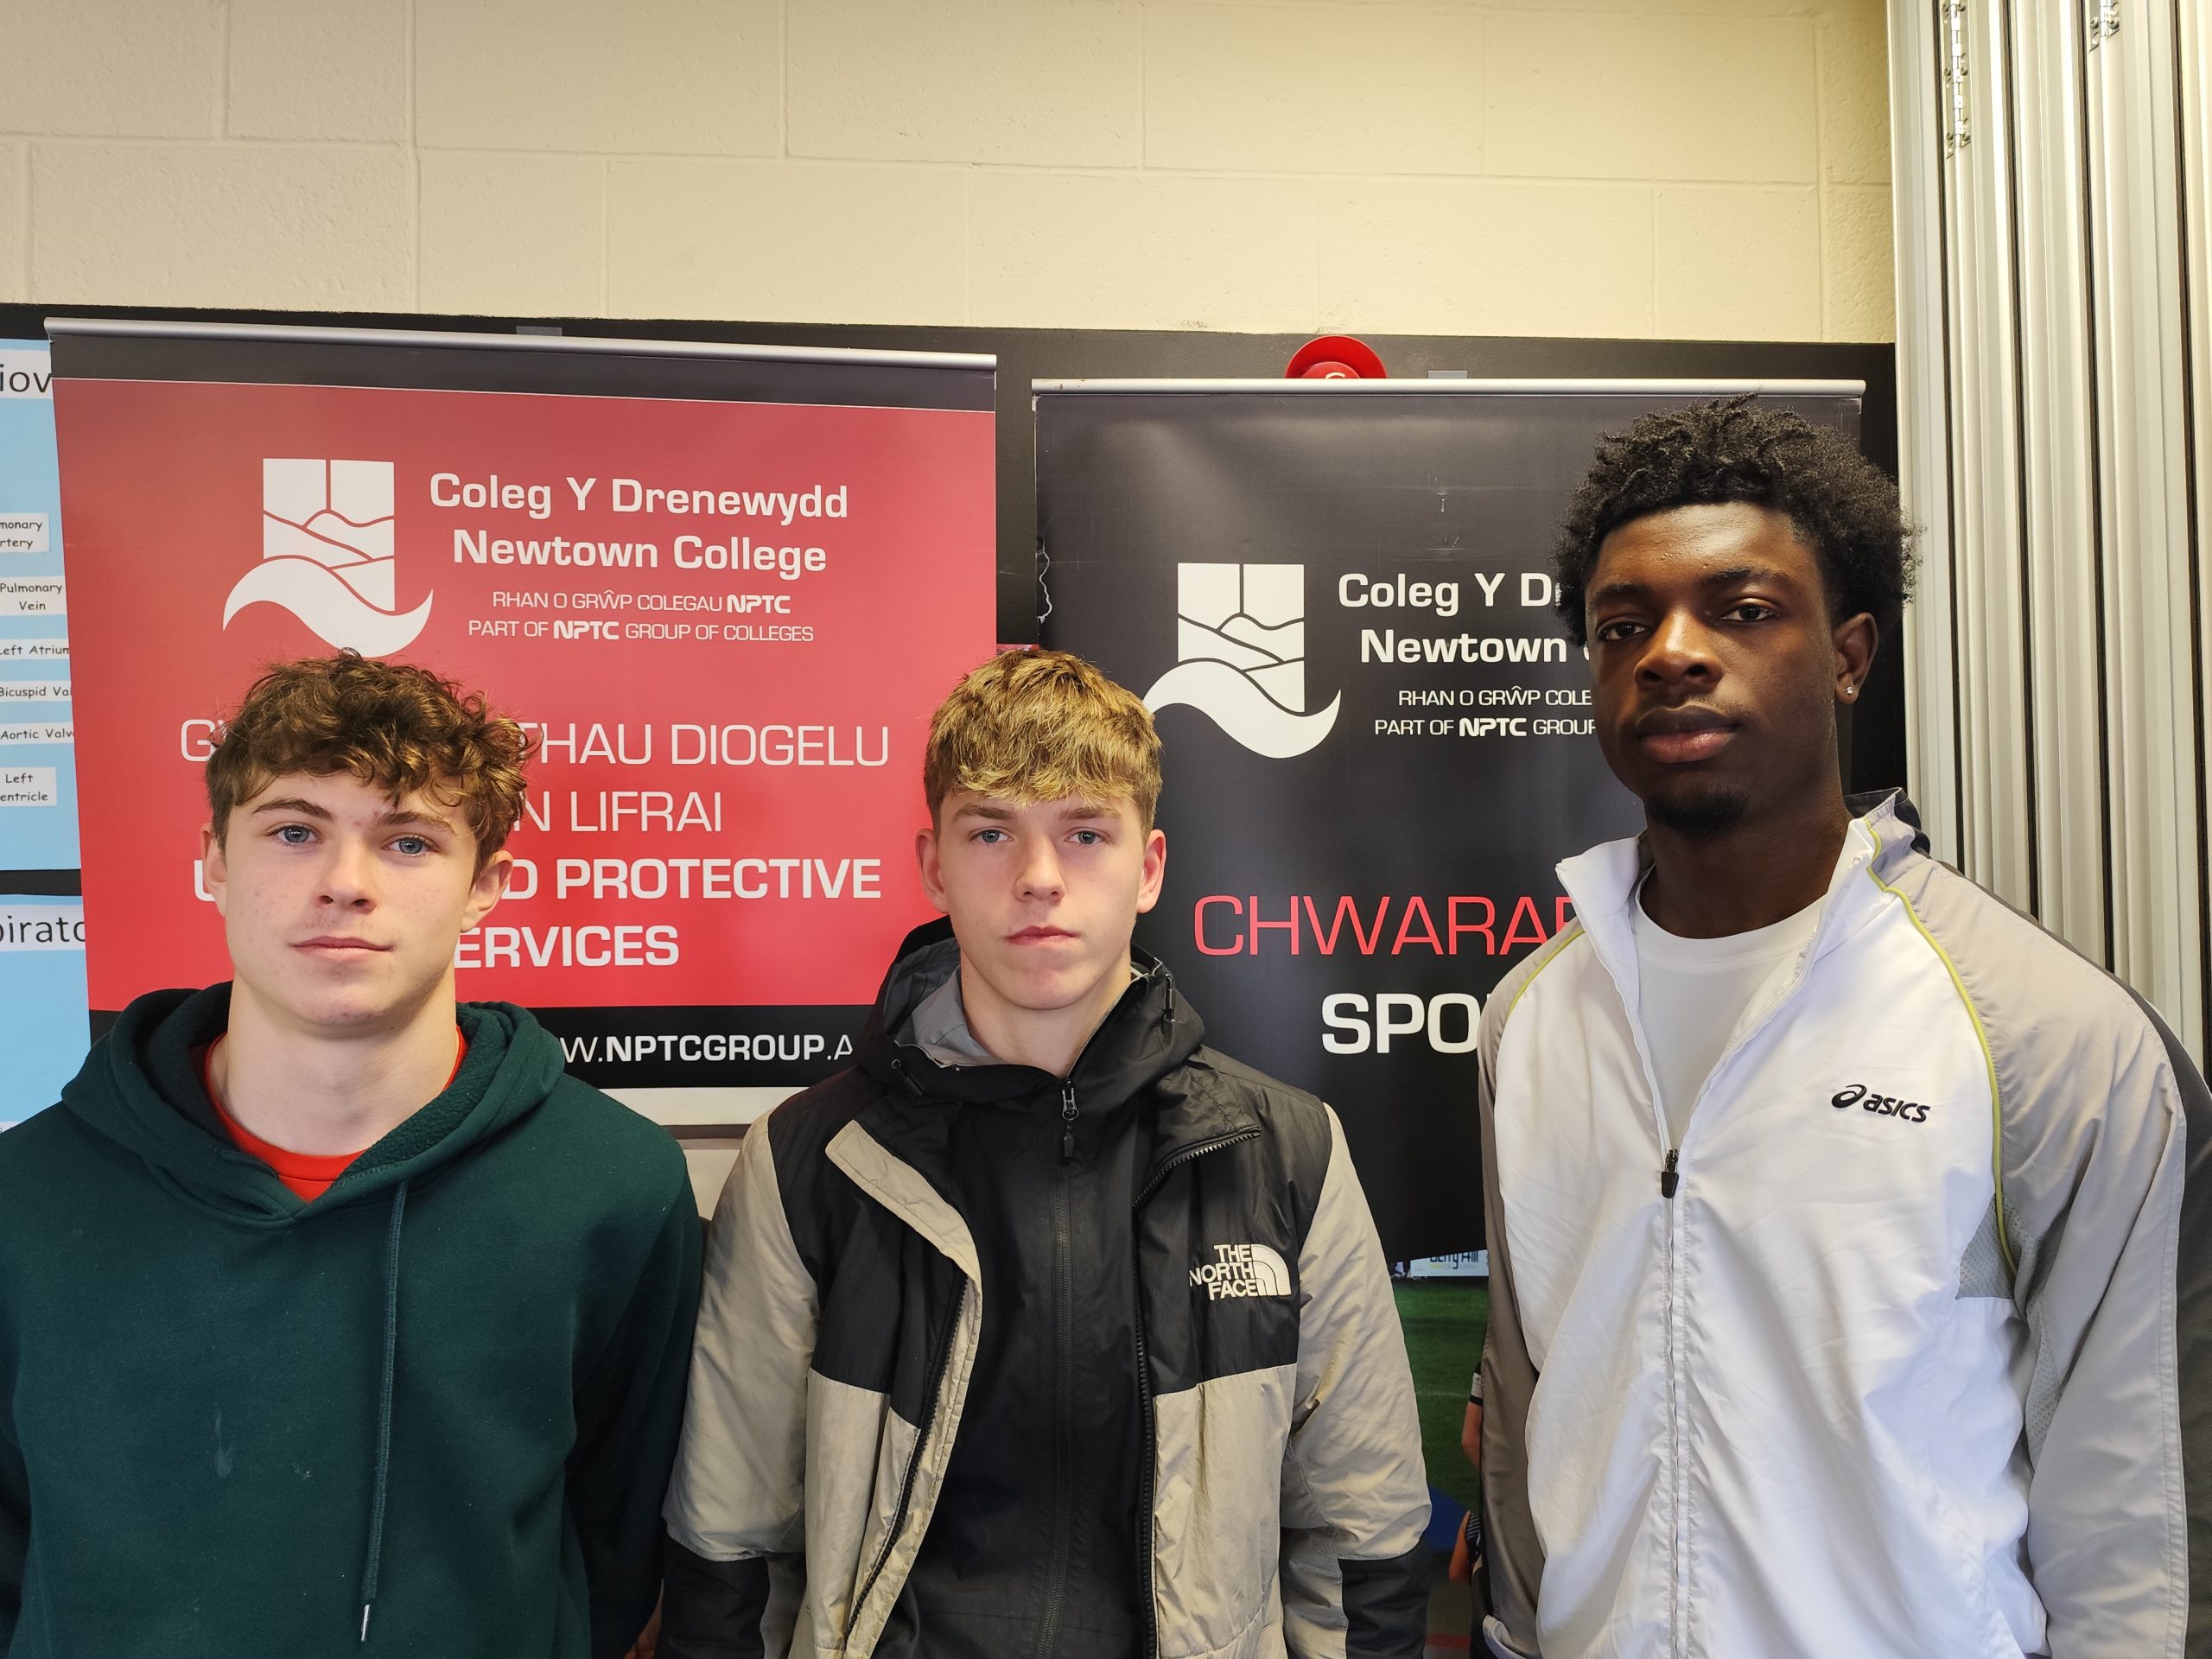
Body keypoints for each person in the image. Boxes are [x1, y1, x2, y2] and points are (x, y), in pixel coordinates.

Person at [1475, 397, 2209, 1657]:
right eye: (1623, 624)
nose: (1670, 651)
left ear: (1850, 653)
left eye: (1743, 610)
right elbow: (1533, 1415)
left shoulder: (2050, 1038)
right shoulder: (1531, 1020)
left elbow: (2134, 1512)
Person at [660, 648, 1430, 1659]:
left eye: (1085, 833)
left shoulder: (1285, 1151)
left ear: (1148, 867)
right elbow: (730, 1541)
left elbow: (1361, 1536)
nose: (1037, 878)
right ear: (933, 863)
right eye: (992, 832)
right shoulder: (811, 1159)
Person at [0, 654, 702, 1658]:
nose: (344, 885)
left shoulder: (611, 1186)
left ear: (485, 886)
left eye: (408, 842)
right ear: (213, 860)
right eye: (294, 831)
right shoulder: (27, 1196)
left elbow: (615, 1540)